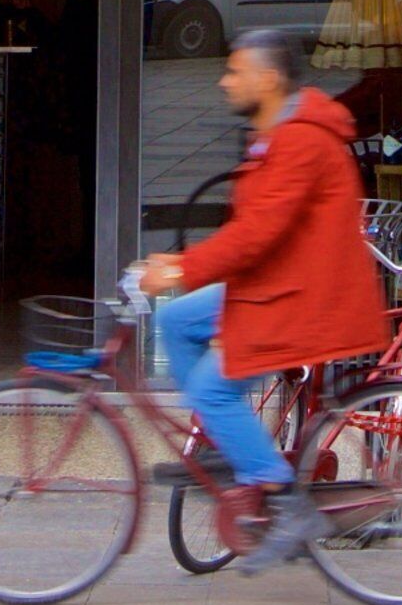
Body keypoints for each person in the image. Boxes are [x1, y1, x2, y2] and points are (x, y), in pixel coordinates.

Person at [134, 28, 387, 574]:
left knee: (210, 386)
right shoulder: (274, 134)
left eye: (235, 71)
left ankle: (286, 503)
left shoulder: (300, 141)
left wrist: (179, 268)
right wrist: (184, 273)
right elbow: (256, 231)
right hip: (276, 284)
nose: (225, 81)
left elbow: (257, 235)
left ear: (268, 80)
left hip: (300, 300)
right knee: (177, 320)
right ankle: (226, 446)